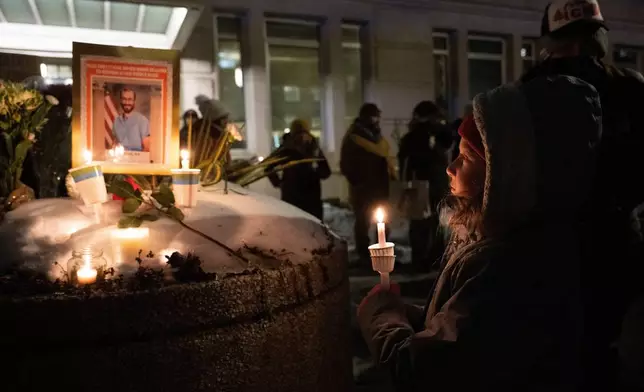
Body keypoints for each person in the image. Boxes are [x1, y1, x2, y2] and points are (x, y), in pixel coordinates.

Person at [357, 75, 602, 391]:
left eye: (467, 157)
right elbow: (467, 331)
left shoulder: (508, 265)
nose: (451, 167)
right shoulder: (506, 239)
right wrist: (412, 317)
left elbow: (426, 372)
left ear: (506, 175)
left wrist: (381, 318)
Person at [523, 1, 644, 388]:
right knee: (601, 347)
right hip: (611, 240)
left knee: (551, 349)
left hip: (543, 243)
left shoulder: (525, 91)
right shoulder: (628, 87)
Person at [397, 101, 452, 271]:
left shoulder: (432, 135)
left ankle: (428, 258)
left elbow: (447, 141)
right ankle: (426, 259)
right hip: (425, 184)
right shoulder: (416, 137)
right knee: (425, 224)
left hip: (428, 184)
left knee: (429, 223)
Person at [340, 103, 396, 266]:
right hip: (363, 187)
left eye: (377, 116)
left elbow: (385, 157)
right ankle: (364, 254)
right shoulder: (354, 137)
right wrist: (357, 181)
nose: (376, 119)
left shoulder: (377, 136)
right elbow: (346, 164)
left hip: (380, 185)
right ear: (365, 117)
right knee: (363, 221)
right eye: (373, 116)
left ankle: (383, 251)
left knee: (384, 219)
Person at [266, 119, 331, 220]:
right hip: (300, 198)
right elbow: (268, 166)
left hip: (306, 198)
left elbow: (326, 172)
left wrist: (280, 183)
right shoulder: (287, 149)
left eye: (303, 132)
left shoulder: (312, 148)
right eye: (299, 132)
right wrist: (279, 183)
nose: (301, 136)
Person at [112, 87, 151, 152]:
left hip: (137, 160)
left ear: (134, 101)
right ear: (121, 100)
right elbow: (114, 144)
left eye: (130, 99)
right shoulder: (116, 122)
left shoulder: (142, 120)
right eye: (124, 99)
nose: (127, 102)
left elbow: (147, 148)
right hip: (120, 159)